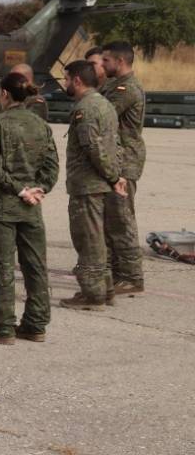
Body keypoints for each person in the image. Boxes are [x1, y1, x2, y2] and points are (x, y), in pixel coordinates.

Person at [0, 72, 58, 345]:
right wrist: (38, 189)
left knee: (2, 267)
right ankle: (36, 324)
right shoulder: (40, 124)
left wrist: (20, 190)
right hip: (31, 208)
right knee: (35, 266)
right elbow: (51, 167)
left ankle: (2, 325)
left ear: (5, 94)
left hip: (3, 207)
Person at [59, 60, 125, 310]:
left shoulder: (84, 109)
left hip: (88, 185)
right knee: (98, 240)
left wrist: (111, 176)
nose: (65, 83)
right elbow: (115, 145)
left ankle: (93, 294)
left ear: (77, 80)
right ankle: (105, 289)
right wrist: (115, 175)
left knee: (88, 240)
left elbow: (94, 148)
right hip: (99, 183)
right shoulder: (105, 105)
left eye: (66, 79)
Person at [100, 41, 146, 296]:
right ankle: (117, 273)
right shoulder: (112, 85)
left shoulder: (126, 89)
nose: (102, 64)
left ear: (120, 62)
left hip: (125, 162)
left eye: (106, 60)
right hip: (116, 159)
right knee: (111, 220)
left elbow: (103, 114)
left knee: (122, 220)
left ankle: (131, 277)